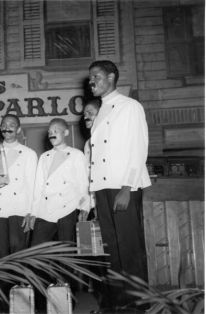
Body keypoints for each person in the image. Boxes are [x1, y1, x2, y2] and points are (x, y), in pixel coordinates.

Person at [88, 60, 151, 312]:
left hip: (123, 185)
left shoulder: (130, 106)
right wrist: (93, 193)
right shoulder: (101, 109)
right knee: (111, 248)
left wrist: (127, 187)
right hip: (103, 187)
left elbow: (138, 148)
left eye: (97, 76)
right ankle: (118, 302)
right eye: (90, 77)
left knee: (129, 247)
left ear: (111, 77)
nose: (91, 81)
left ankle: (139, 303)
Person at [30, 118, 90, 313]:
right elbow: (38, 187)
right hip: (45, 210)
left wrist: (85, 207)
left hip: (68, 208)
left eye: (56, 129)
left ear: (65, 133)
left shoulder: (76, 155)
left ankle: (67, 301)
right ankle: (40, 302)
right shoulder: (44, 157)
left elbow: (83, 183)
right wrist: (33, 212)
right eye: (49, 130)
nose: (52, 133)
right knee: (37, 254)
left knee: (66, 257)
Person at [0, 114, 37, 312]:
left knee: (18, 253)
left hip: (20, 209)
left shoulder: (29, 154)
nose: (7, 128)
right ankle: (0, 304)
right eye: (4, 125)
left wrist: (32, 212)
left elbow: (33, 186)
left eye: (12, 125)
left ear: (19, 129)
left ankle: (20, 302)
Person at [83, 98, 102, 221]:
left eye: (90, 113)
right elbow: (88, 176)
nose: (86, 117)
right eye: (84, 114)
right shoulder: (88, 143)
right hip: (97, 201)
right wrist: (88, 206)